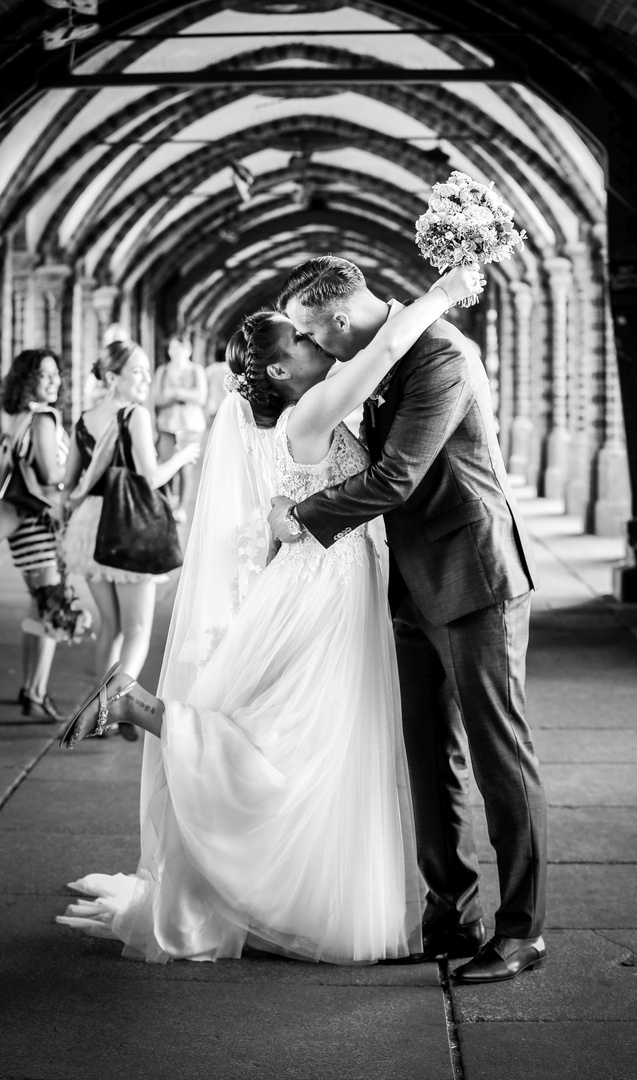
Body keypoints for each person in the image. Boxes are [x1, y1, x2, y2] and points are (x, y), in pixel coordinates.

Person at [55, 264, 484, 965]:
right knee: (299, 742)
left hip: (322, 578)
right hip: (329, 592)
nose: (320, 342)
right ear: (282, 368)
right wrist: (439, 293)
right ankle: (138, 707)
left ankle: (287, 895)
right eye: (305, 339)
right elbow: (381, 352)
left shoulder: (302, 411)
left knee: (305, 740)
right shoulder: (309, 413)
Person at [269, 256, 547, 984]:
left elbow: (398, 475)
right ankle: (451, 917)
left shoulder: (442, 355)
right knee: (431, 761)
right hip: (412, 587)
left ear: (334, 317)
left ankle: (522, 932)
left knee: (499, 756)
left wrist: (298, 517)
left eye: (305, 329)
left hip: (473, 576)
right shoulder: (378, 355)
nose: (305, 344)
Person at [61, 340, 200, 738]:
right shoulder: (134, 415)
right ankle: (116, 704)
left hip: (89, 528)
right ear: (111, 378)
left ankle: (98, 712)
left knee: (111, 626)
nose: (144, 379)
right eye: (136, 372)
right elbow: (150, 476)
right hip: (126, 528)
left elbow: (71, 483)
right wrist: (183, 456)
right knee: (137, 628)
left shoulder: (85, 418)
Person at [0, 350, 68, 721]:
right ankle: (38, 693)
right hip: (42, 524)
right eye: (45, 375)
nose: (54, 381)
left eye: (56, 374)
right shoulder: (43, 417)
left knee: (36, 605)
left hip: (23, 525)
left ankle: (30, 687)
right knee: (52, 608)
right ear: (29, 380)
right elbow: (49, 470)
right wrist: (77, 467)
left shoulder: (17, 416)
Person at [152, 333, 207, 523]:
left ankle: (182, 507)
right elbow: (157, 397)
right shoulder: (162, 371)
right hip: (167, 424)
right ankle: (166, 503)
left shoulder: (196, 370)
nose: (175, 352)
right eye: (172, 348)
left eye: (179, 348)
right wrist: (182, 396)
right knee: (166, 463)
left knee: (185, 467)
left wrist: (175, 393)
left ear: (188, 350)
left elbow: (201, 397)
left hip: (190, 425)